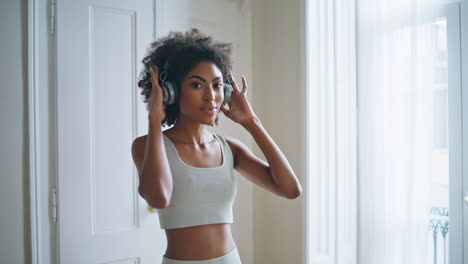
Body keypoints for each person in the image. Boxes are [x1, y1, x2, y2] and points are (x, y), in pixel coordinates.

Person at [131, 28, 302, 264]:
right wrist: (154, 120)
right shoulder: (147, 146)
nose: (211, 96)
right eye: (197, 85)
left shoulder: (231, 149)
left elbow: (290, 190)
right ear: (170, 92)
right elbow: (159, 198)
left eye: (217, 85)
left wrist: (252, 122)